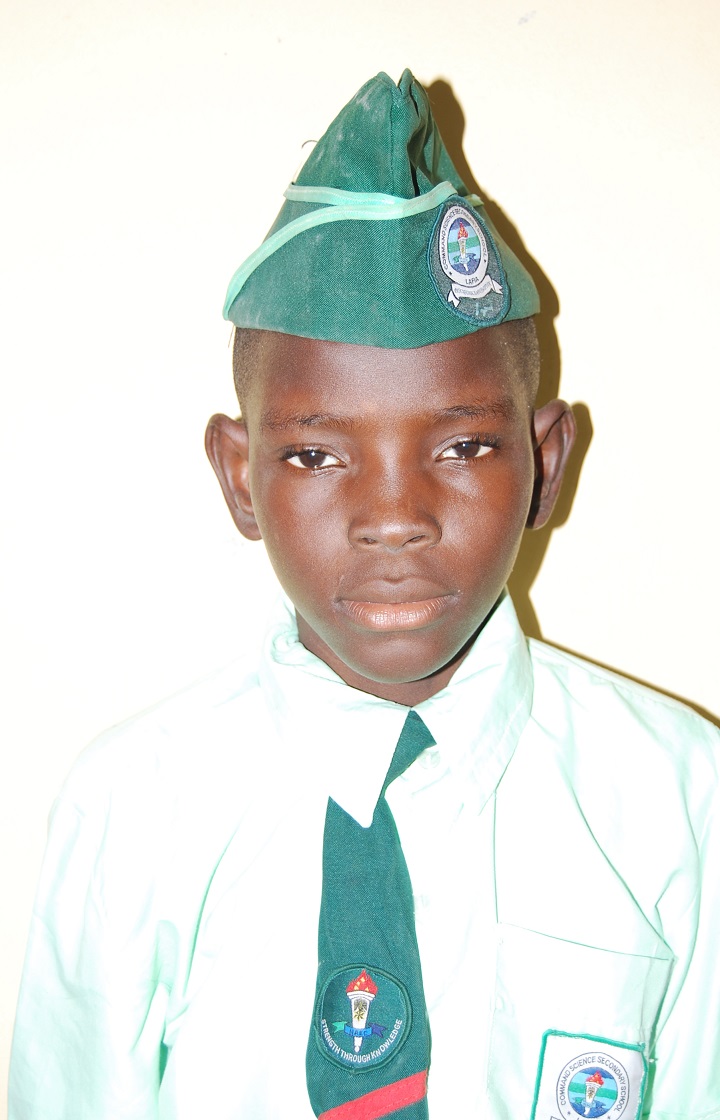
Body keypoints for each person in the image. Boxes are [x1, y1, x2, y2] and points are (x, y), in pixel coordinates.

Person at [9, 69, 719, 1120]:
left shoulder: (681, 803)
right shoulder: (133, 810)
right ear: (237, 478)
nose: (395, 518)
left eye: (464, 447)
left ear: (546, 465)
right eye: (316, 456)